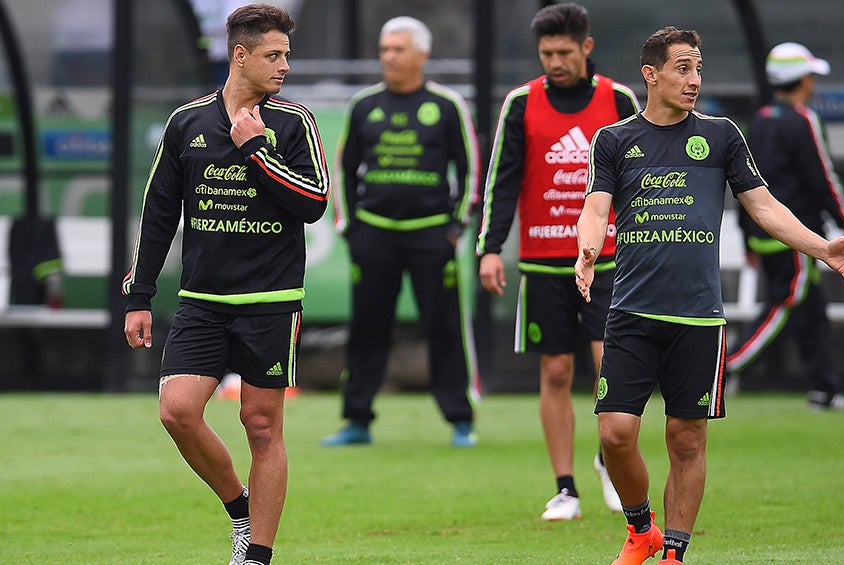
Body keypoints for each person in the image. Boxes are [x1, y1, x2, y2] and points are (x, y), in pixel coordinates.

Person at [574, 27, 844, 565]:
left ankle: (672, 552)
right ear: (651, 75)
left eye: (698, 69)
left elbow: (764, 206)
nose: (694, 80)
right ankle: (640, 527)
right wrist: (586, 249)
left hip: (697, 317)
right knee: (616, 434)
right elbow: (597, 207)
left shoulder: (721, 136)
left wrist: (821, 248)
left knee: (686, 439)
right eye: (682, 69)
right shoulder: (615, 139)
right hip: (630, 312)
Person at [122, 5, 328, 565]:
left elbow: (314, 205)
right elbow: (160, 212)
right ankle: (240, 507)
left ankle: (256, 555)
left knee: (261, 426)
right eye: (273, 55)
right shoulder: (186, 121)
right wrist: (140, 297)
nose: (284, 65)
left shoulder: (293, 123)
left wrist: (256, 150)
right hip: (202, 303)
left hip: (271, 303)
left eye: (286, 54)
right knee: (176, 411)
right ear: (241, 55)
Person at [476, 2, 639, 520]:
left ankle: (609, 462)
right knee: (556, 371)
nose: (554, 62)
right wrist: (489, 249)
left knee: (609, 370)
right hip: (545, 263)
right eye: (546, 53)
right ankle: (566, 488)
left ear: (586, 47)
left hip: (610, 260)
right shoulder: (521, 103)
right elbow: (501, 180)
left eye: (563, 52)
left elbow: (641, 178)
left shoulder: (619, 99)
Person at [323, 16, 480, 447]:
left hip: (432, 236)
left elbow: (469, 171)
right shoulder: (363, 105)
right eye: (384, 49)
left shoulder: (447, 105)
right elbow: (343, 170)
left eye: (398, 49)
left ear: (422, 55)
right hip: (374, 235)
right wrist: (350, 228)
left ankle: (460, 420)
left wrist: (455, 226)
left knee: (444, 329)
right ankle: (357, 421)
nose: (388, 56)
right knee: (367, 329)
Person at [726, 42, 844, 411]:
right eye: (810, 76)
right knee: (785, 303)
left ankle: (825, 390)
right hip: (797, 236)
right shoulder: (803, 120)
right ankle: (723, 367)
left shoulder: (759, 120)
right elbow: (824, 180)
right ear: (801, 80)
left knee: (812, 310)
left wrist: (747, 239)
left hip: (763, 233)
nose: (812, 84)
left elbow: (742, 185)